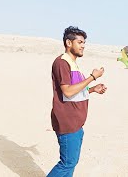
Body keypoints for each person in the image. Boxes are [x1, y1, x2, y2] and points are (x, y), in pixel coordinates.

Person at [47, 26, 107, 177]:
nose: (83, 46)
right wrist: (92, 77)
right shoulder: (62, 62)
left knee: (71, 164)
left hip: (77, 123)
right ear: (68, 42)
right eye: (80, 42)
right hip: (68, 122)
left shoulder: (73, 64)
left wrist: (93, 89)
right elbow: (67, 90)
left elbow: (74, 92)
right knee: (67, 163)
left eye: (84, 42)